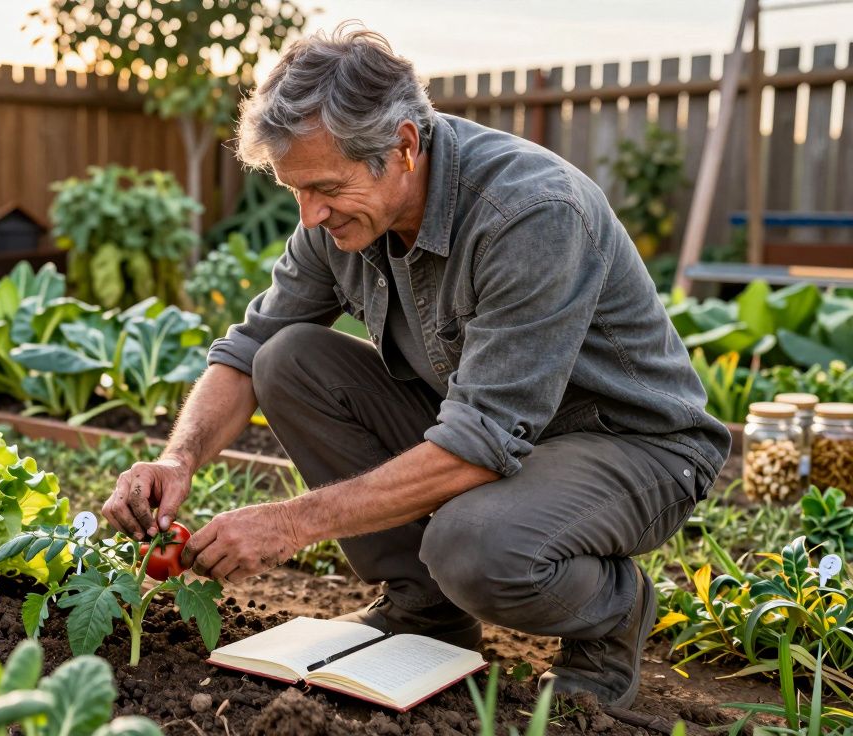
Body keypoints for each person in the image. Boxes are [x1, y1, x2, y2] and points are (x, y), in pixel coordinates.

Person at [100, 26, 729, 708]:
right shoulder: (339, 221)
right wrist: (179, 458)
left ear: (402, 146)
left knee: (473, 543)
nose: (309, 216)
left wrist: (288, 523)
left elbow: (483, 440)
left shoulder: (529, 214)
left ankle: (612, 614)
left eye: (325, 188)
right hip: (500, 439)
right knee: (289, 360)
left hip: (635, 448)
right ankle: (425, 611)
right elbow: (250, 350)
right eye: (295, 191)